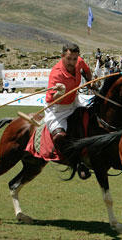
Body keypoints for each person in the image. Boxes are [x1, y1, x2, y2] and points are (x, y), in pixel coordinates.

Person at [44, 43, 92, 179]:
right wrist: (61, 92)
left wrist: (91, 82)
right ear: (62, 56)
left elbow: (86, 70)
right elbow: (53, 99)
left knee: (92, 119)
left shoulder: (79, 61)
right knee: (60, 136)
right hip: (57, 109)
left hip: (75, 101)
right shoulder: (56, 74)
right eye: (69, 59)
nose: (72, 62)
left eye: (74, 59)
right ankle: (76, 163)